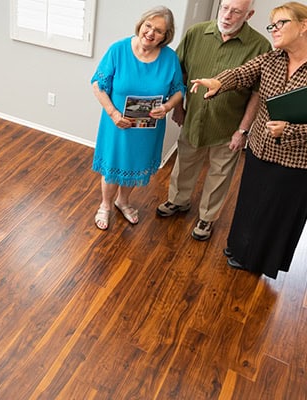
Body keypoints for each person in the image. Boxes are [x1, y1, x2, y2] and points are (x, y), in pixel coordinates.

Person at [191, 2, 307, 279]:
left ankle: (258, 260)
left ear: (303, 26)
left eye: (281, 23)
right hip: (259, 149)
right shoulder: (272, 58)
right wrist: (219, 82)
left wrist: (290, 131)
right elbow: (243, 72)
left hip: (295, 161)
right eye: (272, 25)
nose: (274, 30)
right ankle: (240, 249)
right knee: (249, 204)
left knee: (274, 213)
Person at [156, 0, 271, 241]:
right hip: (193, 117)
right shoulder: (196, 33)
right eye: (225, 8)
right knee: (185, 163)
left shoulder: (260, 46)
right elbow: (180, 74)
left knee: (220, 174)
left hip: (229, 125)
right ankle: (178, 201)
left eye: (236, 11)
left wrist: (243, 130)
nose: (228, 16)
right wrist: (178, 108)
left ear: (249, 14)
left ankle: (206, 218)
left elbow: (257, 93)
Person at [91, 6, 185, 230]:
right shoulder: (118, 50)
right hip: (117, 123)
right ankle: (105, 205)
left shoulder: (170, 59)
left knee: (134, 164)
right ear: (141, 25)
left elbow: (179, 89)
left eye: (159, 31)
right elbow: (98, 85)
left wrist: (168, 106)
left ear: (166, 36)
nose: (151, 33)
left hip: (147, 127)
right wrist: (114, 114)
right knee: (113, 165)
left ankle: (123, 201)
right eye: (148, 26)